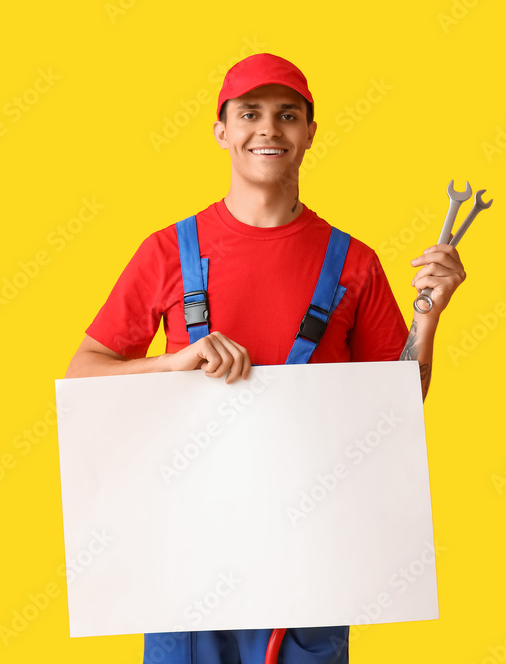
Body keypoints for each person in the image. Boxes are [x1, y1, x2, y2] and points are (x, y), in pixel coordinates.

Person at [64, 53, 466, 664]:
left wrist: (428, 317)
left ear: (309, 132)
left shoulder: (353, 263)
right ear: (222, 131)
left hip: (312, 563)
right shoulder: (168, 252)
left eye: (288, 115)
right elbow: (83, 375)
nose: (268, 130)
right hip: (187, 564)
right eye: (249, 113)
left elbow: (400, 405)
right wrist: (173, 365)